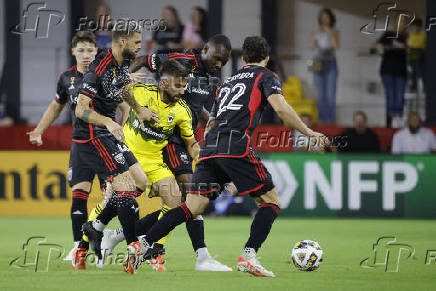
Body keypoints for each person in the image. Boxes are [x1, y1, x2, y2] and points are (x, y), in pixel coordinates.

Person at [137, 36, 328, 277]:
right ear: (266, 58)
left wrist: (207, 151)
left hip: (210, 147)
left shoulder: (227, 83)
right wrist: (309, 132)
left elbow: (211, 123)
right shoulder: (265, 75)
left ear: (243, 58)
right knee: (271, 202)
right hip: (235, 145)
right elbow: (280, 108)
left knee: (192, 207)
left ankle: (141, 246)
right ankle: (248, 256)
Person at [98, 60, 231, 272]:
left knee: (176, 201)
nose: (182, 90)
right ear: (163, 83)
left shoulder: (182, 111)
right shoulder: (142, 92)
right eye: (178, 86)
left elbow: (191, 144)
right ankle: (96, 236)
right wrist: (139, 108)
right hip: (128, 158)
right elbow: (113, 86)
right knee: (120, 203)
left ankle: (135, 243)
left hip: (154, 162)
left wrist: (210, 160)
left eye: (184, 86)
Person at [129, 34, 232, 265]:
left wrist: (210, 120)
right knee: (192, 196)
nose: (219, 65)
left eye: (223, 63)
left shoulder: (209, 79)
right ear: (205, 48)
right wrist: (128, 78)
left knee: (181, 203)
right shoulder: (182, 58)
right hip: (170, 140)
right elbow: (145, 59)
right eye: (217, 58)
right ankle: (199, 256)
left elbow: (195, 108)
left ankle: (127, 238)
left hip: (184, 138)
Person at [76, 27, 159, 275]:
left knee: (141, 183)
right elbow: (80, 109)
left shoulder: (122, 62)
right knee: (125, 188)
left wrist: (139, 109)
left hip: (109, 134)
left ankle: (94, 227)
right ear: (121, 41)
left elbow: (122, 87)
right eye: (136, 43)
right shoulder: (99, 67)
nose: (139, 47)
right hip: (93, 135)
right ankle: (134, 246)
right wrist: (109, 122)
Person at [26, 31, 110, 269]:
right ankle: (78, 247)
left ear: (96, 52)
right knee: (78, 195)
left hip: (105, 144)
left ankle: (101, 237)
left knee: (112, 197)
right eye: (81, 50)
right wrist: (39, 130)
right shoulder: (66, 79)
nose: (85, 55)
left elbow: (123, 107)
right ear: (73, 52)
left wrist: (118, 131)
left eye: (90, 50)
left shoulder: (104, 76)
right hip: (80, 145)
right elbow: (56, 106)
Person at [376, 15, 408, 127]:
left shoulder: (406, 36)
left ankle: (399, 120)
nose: (401, 24)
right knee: (390, 96)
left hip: (401, 72)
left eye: (403, 22)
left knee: (399, 97)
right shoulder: (388, 34)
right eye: (399, 22)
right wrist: (381, 49)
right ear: (395, 23)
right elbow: (379, 45)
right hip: (387, 70)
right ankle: (390, 122)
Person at [309, 8, 339, 124]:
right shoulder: (317, 31)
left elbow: (336, 45)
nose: (324, 19)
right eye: (322, 17)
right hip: (318, 62)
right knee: (320, 95)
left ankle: (330, 120)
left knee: (330, 94)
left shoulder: (335, 31)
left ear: (330, 18)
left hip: (331, 63)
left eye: (326, 17)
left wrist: (328, 31)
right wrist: (315, 34)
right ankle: (322, 120)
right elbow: (311, 46)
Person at [407, 18, 426, 92]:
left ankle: (425, 87)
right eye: (413, 26)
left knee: (422, 72)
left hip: (421, 57)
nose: (415, 28)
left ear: (420, 27)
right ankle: (413, 87)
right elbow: (407, 46)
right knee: (412, 73)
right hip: (412, 57)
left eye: (417, 26)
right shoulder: (410, 36)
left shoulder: (423, 36)